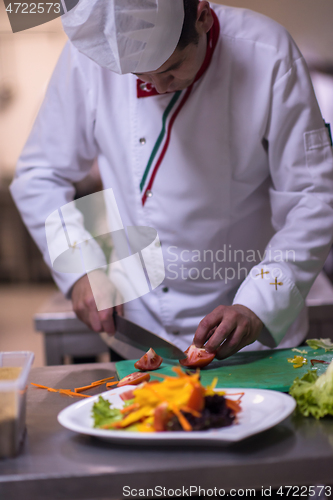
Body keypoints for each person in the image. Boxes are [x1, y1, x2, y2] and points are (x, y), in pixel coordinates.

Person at [10, 0, 333, 360]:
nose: (159, 87)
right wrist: (82, 265)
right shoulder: (89, 57)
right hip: (137, 325)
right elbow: (41, 174)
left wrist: (259, 303)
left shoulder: (269, 52)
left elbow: (312, 195)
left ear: (203, 17)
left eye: (172, 68)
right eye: (140, 77)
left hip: (247, 319)